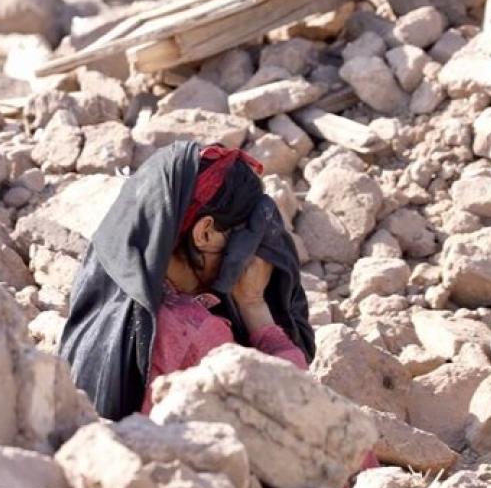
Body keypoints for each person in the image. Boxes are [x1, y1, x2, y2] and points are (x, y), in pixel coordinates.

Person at [60, 141, 315, 420]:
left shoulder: (107, 279)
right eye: (244, 238)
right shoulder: (195, 332)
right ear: (205, 233)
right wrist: (254, 306)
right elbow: (302, 410)